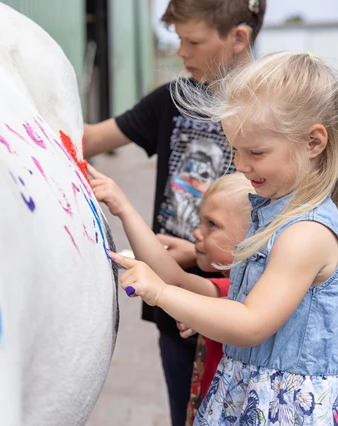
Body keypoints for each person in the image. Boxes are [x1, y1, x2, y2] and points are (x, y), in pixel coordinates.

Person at [107, 51, 338, 424]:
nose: (241, 164)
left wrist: (162, 294)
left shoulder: (306, 233)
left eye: (256, 152)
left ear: (313, 143)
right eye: (235, 149)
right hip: (247, 393)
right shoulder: (272, 215)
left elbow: (250, 322)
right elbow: (214, 292)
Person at [83, 1, 266, 424]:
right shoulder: (172, 99)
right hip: (177, 310)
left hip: (241, 310)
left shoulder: (274, 111)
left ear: (239, 37)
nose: (181, 52)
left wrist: (205, 255)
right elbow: (89, 139)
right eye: (178, 39)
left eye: (194, 41)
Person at [88, 166, 255, 424]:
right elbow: (173, 276)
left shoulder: (238, 295)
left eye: (212, 225)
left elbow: (171, 279)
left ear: (251, 238)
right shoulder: (230, 288)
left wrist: (124, 209)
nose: (197, 233)